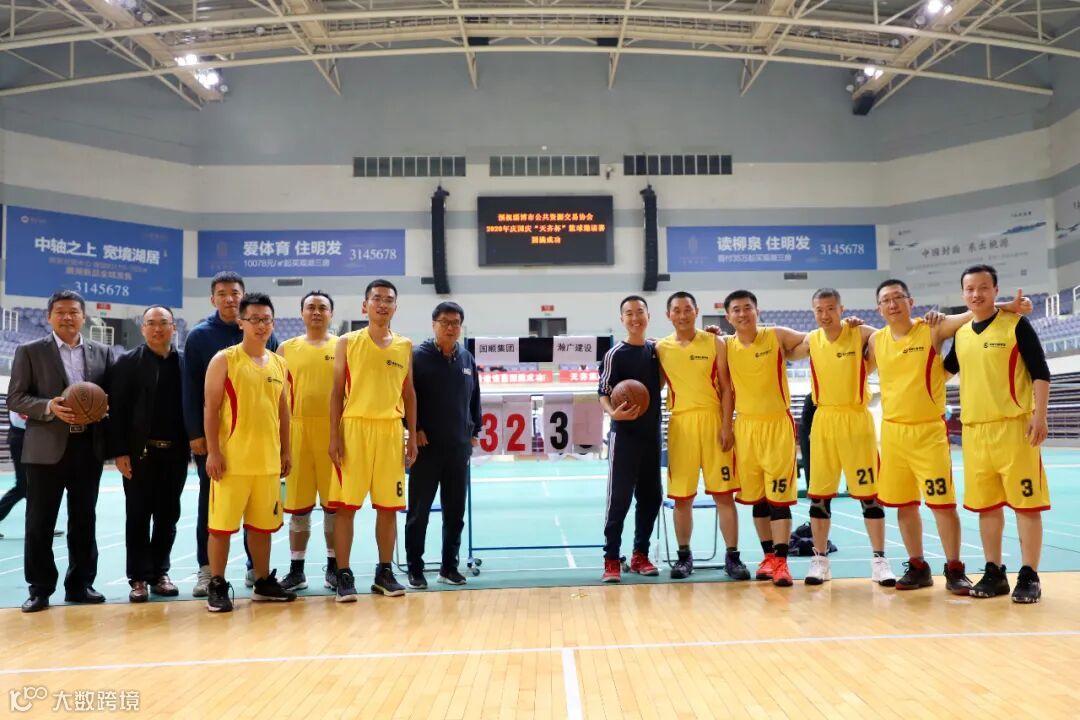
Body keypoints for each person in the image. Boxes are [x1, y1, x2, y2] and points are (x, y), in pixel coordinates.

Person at [866, 278, 1029, 594]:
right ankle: (917, 567)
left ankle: (954, 568)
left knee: (941, 503)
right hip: (893, 433)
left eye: (898, 297)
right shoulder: (875, 341)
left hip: (928, 431)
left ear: (910, 302)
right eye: (886, 300)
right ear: (879, 308)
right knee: (905, 505)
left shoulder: (932, 328)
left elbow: (974, 311)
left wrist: (1008, 306)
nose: (892, 304)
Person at [945, 265, 1049, 603]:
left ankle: (1029, 575)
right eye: (970, 289)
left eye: (983, 287)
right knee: (987, 507)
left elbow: (1041, 372)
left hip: (1014, 427)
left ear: (995, 290)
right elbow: (942, 371)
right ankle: (994, 572)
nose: (976, 294)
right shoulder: (961, 334)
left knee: (1026, 505)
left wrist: (1040, 416)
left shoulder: (1016, 324)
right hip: (975, 432)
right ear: (963, 294)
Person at [8, 290, 114, 613]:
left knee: (84, 519)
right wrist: (48, 406)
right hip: (46, 448)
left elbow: (111, 394)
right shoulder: (29, 351)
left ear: (84, 316)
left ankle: (80, 584)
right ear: (49, 316)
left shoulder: (102, 352)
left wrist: (104, 408)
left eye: (73, 312)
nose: (67, 317)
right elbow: (16, 398)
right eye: (60, 312)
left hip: (88, 447)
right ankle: (39, 589)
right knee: (39, 522)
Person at [181, 271, 278, 598]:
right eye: (222, 293)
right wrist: (198, 436)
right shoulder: (200, 337)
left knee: (258, 511)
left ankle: (256, 569)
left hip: (261, 448)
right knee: (212, 509)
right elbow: (193, 389)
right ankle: (208, 571)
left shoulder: (267, 341)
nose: (229, 298)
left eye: (234, 292)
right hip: (219, 443)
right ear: (213, 299)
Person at [794, 289, 894, 586]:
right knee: (819, 496)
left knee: (869, 496)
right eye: (819, 309)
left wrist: (863, 326)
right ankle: (820, 561)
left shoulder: (859, 333)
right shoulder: (811, 340)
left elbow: (890, 336)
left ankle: (880, 561)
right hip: (824, 421)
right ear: (813, 312)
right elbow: (778, 349)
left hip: (856, 420)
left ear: (841, 309)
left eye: (830, 308)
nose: (825, 314)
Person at [203, 292, 295, 612]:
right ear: (241, 322)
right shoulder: (224, 360)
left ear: (273, 323)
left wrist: (286, 451)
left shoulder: (280, 363)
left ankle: (262, 582)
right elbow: (210, 409)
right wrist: (213, 452)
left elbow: (283, 412)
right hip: (232, 462)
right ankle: (217, 583)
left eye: (266, 319)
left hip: (267, 462)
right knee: (221, 528)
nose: (260, 325)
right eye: (254, 319)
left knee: (262, 527)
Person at [328, 279, 418, 601]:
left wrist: (411, 435)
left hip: (391, 431)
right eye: (377, 299)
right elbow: (336, 392)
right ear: (365, 306)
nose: (382, 304)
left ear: (395, 307)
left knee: (388, 507)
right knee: (346, 507)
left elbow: (409, 393)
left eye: (388, 300)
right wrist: (334, 436)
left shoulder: (405, 345)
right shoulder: (347, 342)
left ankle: (384, 572)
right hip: (354, 429)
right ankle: (343, 573)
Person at [723, 290, 810, 587]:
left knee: (779, 497)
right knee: (758, 497)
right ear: (728, 316)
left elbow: (813, 340)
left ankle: (782, 561)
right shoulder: (725, 345)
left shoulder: (775, 335)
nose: (742, 313)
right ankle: (769, 556)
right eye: (736, 309)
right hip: (745, 427)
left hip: (777, 425)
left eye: (747, 308)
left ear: (757, 311)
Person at [655, 291, 743, 581]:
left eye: (687, 309)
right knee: (682, 498)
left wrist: (727, 425)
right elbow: (654, 387)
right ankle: (684, 557)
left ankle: (733, 557)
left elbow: (727, 388)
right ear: (668, 315)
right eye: (676, 310)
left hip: (713, 421)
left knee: (724, 495)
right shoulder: (661, 348)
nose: (682, 315)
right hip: (681, 425)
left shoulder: (715, 342)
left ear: (696, 311)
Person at [110, 305, 190, 603]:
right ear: (143, 328)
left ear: (174, 328)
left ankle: (159, 573)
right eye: (151, 323)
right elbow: (117, 411)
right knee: (138, 516)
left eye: (163, 323)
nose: (158, 328)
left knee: (168, 516)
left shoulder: (185, 364)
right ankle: (138, 578)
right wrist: (120, 451)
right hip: (139, 455)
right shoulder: (127, 363)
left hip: (176, 454)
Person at [405, 301, 481, 589]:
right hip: (426, 449)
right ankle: (415, 569)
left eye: (455, 323)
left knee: (455, 513)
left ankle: (449, 567)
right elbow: (404, 397)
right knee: (419, 513)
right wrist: (414, 429)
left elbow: (475, 398)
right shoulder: (417, 357)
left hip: (458, 448)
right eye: (445, 322)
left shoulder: (466, 358)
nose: (451, 328)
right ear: (433, 325)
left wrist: (474, 429)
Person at [596, 295, 662, 583]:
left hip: (651, 435)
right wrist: (614, 413)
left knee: (651, 497)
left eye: (640, 312)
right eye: (629, 313)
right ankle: (611, 558)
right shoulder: (615, 355)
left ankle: (640, 555)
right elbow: (603, 392)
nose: (635, 318)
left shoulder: (657, 351)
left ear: (648, 315)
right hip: (624, 437)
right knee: (619, 500)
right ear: (622, 319)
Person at [278, 291, 339, 593]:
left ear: (331, 314)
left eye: (322, 307)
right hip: (297, 432)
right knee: (299, 509)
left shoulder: (343, 346)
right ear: (301, 313)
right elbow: (277, 397)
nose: (316, 312)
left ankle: (334, 568)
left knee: (333, 508)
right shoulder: (285, 349)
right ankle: (296, 570)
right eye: (310, 307)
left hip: (333, 432)